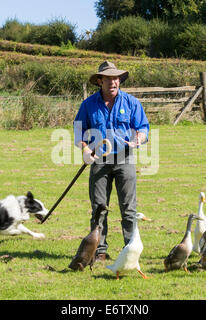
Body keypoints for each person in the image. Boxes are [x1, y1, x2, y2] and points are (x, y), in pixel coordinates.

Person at [73, 61, 150, 261]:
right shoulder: (88, 105)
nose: (113, 82)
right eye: (108, 78)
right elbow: (79, 130)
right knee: (99, 208)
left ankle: (130, 249)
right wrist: (85, 150)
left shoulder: (131, 103)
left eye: (116, 78)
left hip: (125, 159)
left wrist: (138, 139)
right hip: (99, 160)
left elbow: (143, 128)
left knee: (129, 208)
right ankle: (99, 251)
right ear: (100, 81)